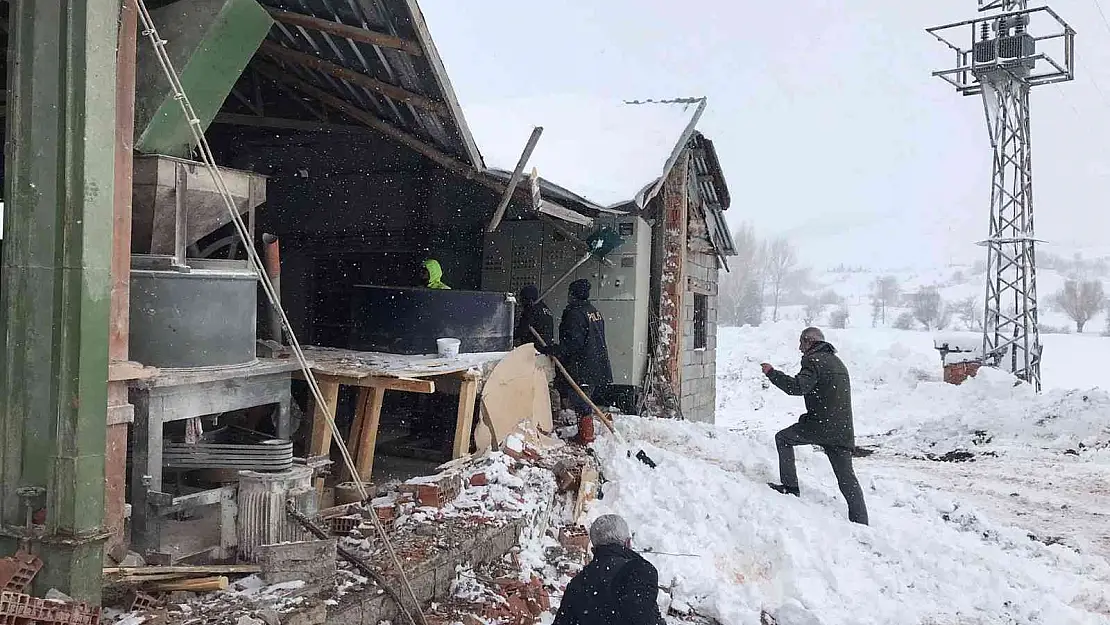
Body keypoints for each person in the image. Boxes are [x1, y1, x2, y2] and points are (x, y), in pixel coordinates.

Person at [761, 327, 869, 525]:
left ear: (809, 342)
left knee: (783, 438)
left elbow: (797, 387)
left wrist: (772, 373)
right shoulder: (837, 362)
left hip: (820, 425)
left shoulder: (813, 361)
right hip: (842, 429)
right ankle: (861, 521)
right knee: (847, 478)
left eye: (801, 343)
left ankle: (790, 487)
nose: (799, 348)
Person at [553, 515, 665, 625]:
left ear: (594, 548)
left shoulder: (577, 583)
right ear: (628, 543)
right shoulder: (638, 571)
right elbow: (644, 619)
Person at [543, 279, 613, 418]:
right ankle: (584, 431)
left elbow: (573, 343)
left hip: (582, 366)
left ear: (572, 294)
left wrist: (554, 350)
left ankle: (586, 434)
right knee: (582, 399)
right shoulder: (593, 311)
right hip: (596, 363)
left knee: (580, 401)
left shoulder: (575, 313)